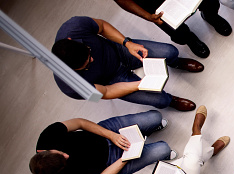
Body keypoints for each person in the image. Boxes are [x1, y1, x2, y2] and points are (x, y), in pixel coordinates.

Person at [52, 16, 202, 111]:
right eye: (86, 65)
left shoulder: (74, 26)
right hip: (111, 80)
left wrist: (127, 43)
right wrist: (139, 84)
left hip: (119, 49)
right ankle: (171, 101)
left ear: (71, 40)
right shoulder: (69, 87)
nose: (92, 60)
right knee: (160, 99)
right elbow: (106, 92)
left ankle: (175, 62)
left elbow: (102, 26)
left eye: (89, 53)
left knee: (170, 52)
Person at [30, 110, 174, 174]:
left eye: (61, 154)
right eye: (64, 160)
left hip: (105, 133)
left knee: (155, 117)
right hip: (111, 162)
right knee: (163, 149)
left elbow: (81, 122)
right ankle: (144, 140)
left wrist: (112, 135)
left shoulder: (47, 136)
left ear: (46, 151)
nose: (67, 155)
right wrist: (124, 159)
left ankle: (147, 131)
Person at [114, 0, 232, 58]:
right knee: (176, 30)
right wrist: (148, 16)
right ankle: (189, 38)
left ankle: (210, 15)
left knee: (209, 2)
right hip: (151, 2)